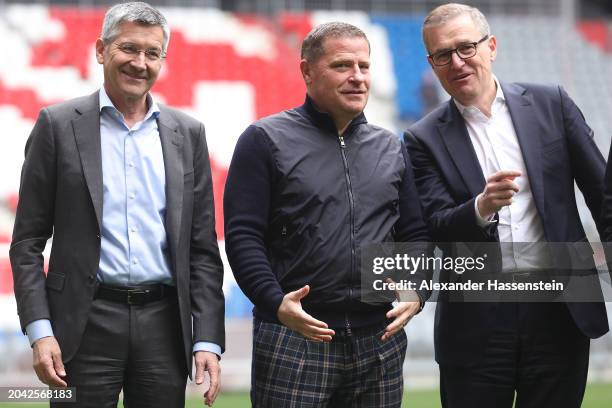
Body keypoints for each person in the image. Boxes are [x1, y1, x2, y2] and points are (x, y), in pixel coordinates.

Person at [9, 2, 225, 407]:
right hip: (81, 326)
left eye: (152, 53)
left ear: (163, 59)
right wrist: (40, 330)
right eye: (129, 48)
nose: (139, 62)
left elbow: (203, 251)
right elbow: (27, 243)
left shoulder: (188, 134)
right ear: (101, 50)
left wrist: (208, 339)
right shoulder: (56, 126)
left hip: (165, 327)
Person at [404, 3, 609, 408]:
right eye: (443, 55)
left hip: (559, 308)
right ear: (432, 63)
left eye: (466, 48)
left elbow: (602, 194)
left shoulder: (552, 104)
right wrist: (479, 207)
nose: (457, 62)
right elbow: (435, 225)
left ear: (491, 46)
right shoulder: (420, 138)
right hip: (477, 318)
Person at [224, 21, 429, 408]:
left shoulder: (390, 147)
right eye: (342, 66)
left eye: (364, 66)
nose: (357, 77)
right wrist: (274, 302)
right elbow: (243, 237)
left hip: (379, 341)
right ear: (307, 71)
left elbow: (414, 232)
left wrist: (415, 288)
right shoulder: (264, 140)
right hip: (295, 336)